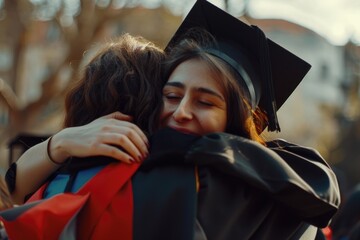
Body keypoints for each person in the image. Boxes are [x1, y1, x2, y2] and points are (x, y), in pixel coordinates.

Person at [3, 0, 340, 239]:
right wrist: (59, 143)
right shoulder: (131, 157)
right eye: (172, 95)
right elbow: (16, 191)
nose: (181, 112)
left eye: (205, 102)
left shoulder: (271, 185)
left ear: (236, 117)